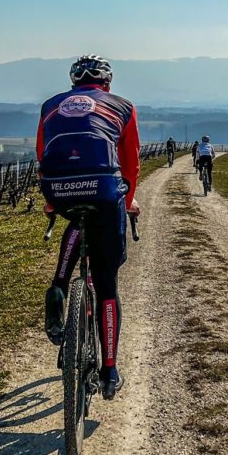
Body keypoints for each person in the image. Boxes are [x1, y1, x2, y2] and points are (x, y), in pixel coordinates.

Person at [37, 55, 140, 400]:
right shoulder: (122, 106)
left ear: (73, 83)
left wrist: (53, 201)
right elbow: (130, 161)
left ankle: (58, 289)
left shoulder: (50, 105)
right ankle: (110, 370)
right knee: (107, 283)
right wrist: (127, 203)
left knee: (77, 217)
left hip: (57, 187)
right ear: (107, 83)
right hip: (104, 188)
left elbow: (43, 153)